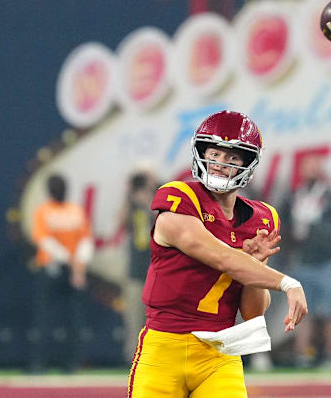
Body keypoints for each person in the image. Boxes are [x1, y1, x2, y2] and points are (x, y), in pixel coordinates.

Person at [127, 110, 307, 398]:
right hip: (163, 349)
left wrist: (255, 267)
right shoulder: (178, 199)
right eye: (214, 154)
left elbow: (252, 312)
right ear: (200, 154)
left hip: (219, 352)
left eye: (232, 158)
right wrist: (287, 282)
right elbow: (221, 257)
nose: (220, 164)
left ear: (246, 165)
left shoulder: (262, 218)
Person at [279, 152, 331, 370]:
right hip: (302, 260)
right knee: (301, 312)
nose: (312, 171)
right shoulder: (293, 196)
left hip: (329, 261)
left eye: (316, 167)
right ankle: (302, 355)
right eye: (308, 167)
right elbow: (280, 226)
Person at [29, 173, 94, 373]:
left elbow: (84, 241)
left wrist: (77, 266)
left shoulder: (64, 211)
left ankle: (69, 363)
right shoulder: (58, 211)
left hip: (63, 269)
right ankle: (43, 363)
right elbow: (46, 241)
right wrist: (76, 264)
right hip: (60, 267)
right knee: (48, 318)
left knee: (68, 318)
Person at [119, 168, 157, 363]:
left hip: (156, 272)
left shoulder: (159, 203)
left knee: (156, 320)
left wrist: (148, 200)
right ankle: (132, 358)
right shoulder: (131, 204)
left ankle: (154, 359)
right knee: (133, 318)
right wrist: (129, 195)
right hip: (135, 270)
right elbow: (120, 221)